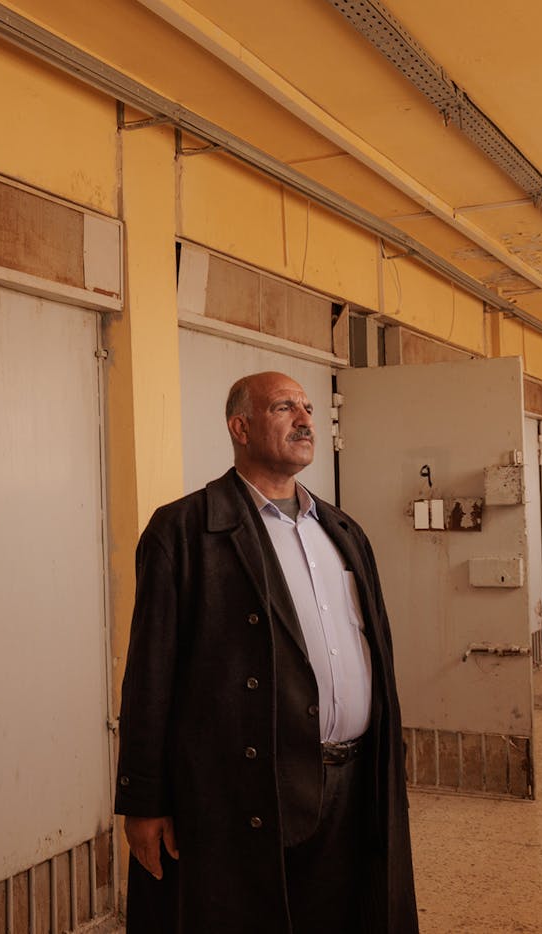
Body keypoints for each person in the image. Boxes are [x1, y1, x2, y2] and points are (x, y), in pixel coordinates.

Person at [114, 371, 418, 933]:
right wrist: (145, 799)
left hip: (353, 782)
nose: (305, 419)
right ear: (241, 427)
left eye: (307, 407)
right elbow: (149, 676)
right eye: (284, 407)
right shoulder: (184, 531)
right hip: (251, 788)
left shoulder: (343, 531)